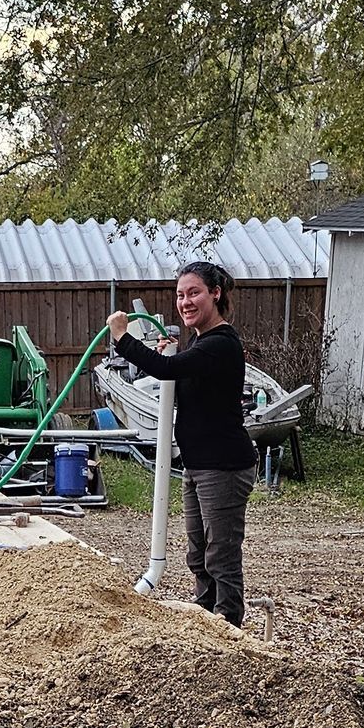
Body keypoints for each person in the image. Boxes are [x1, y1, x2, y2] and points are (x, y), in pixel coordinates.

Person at [108, 262, 256, 626]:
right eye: (180, 295)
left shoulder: (221, 343)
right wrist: (171, 352)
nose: (185, 302)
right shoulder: (201, 343)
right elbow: (178, 372)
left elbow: (166, 370)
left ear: (215, 294)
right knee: (199, 554)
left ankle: (229, 630)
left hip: (224, 466)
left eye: (194, 293)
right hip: (197, 464)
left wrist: (122, 338)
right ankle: (205, 622)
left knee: (221, 556)